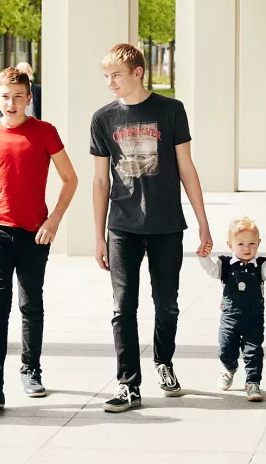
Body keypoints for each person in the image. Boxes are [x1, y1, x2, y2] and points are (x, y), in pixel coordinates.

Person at [91, 42, 213, 413]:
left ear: (138, 73)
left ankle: (164, 361)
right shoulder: (103, 118)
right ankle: (128, 384)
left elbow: (187, 168)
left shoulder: (171, 110)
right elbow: (99, 181)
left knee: (168, 304)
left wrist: (203, 224)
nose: (110, 81)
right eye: (106, 76)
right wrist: (98, 235)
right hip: (122, 226)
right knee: (122, 306)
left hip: (165, 224)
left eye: (116, 75)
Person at [0, 66, 78, 409]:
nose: (11, 103)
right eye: (4, 97)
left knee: (31, 304)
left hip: (34, 234)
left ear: (29, 99)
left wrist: (54, 221)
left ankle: (31, 370)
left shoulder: (44, 132)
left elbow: (70, 179)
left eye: (18, 97)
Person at [198, 217, 266, 402]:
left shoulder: (261, 265)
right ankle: (229, 367)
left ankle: (253, 382)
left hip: (254, 318)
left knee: (253, 351)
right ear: (230, 245)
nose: (247, 248)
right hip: (230, 317)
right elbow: (211, 270)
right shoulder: (225, 265)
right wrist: (203, 257)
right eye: (241, 243)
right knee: (226, 349)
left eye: (252, 243)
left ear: (259, 243)